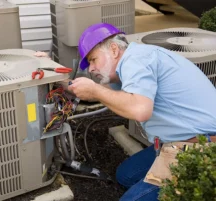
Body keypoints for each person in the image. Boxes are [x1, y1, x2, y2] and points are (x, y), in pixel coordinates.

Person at [66, 23, 216, 201]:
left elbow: (140, 110)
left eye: (93, 59)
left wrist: (95, 91)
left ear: (114, 50)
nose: (90, 69)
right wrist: (61, 81)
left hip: (200, 145)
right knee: (125, 175)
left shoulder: (136, 60)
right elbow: (100, 92)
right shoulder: (135, 59)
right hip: (181, 139)